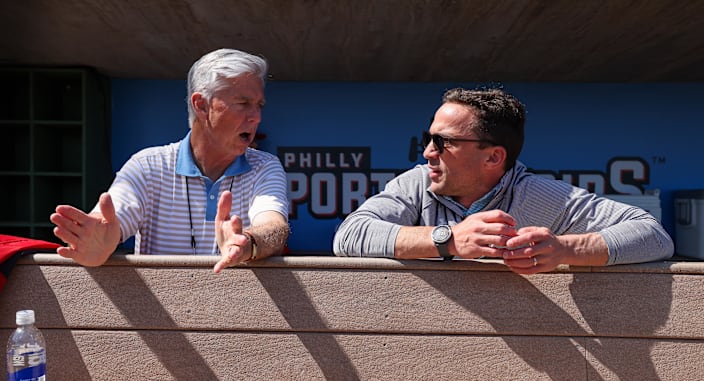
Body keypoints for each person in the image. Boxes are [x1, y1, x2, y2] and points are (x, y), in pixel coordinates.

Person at [333, 87, 674, 274]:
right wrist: (448, 239)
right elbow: (349, 236)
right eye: (428, 138)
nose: (427, 153)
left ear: (493, 157)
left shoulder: (541, 194)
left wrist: (564, 249)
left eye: (443, 141)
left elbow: (654, 236)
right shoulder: (417, 183)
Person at [50, 48, 290, 273]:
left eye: (259, 105)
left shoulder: (264, 167)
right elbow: (109, 224)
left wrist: (247, 243)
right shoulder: (147, 166)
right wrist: (101, 241)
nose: (256, 117)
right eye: (243, 103)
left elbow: (274, 227)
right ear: (202, 105)